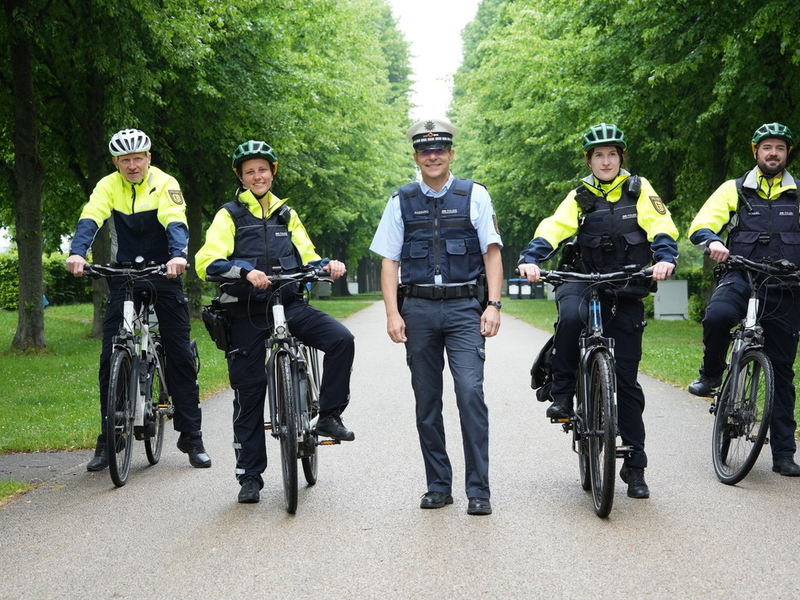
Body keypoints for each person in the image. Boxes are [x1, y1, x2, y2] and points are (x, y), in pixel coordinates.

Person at [518, 123, 679, 499]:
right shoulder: (579, 196)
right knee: (571, 318)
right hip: (583, 278)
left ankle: (635, 466)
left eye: (611, 154)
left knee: (626, 382)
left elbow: (661, 225)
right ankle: (561, 394)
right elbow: (554, 228)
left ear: (621, 157)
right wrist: (531, 258)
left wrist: (665, 257)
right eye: (598, 155)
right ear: (589, 160)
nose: (605, 161)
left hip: (626, 284)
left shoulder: (639, 189)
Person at [195, 140, 355, 504]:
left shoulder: (287, 214)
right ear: (241, 176)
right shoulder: (229, 215)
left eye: (263, 170)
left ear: (273, 172)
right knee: (249, 394)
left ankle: (329, 415)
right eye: (250, 171)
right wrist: (245, 271)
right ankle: (250, 476)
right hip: (246, 311)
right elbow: (207, 261)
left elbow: (308, 255)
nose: (257, 176)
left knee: (341, 339)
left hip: (290, 304)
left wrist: (327, 265)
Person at [370, 117, 503, 516]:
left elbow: (491, 254)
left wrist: (493, 305)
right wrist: (392, 314)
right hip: (419, 311)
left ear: (451, 154)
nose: (433, 156)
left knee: (469, 394)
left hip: (465, 309)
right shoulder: (401, 200)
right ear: (416, 156)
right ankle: (438, 485)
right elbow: (389, 261)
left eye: (440, 149)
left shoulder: (475, 195)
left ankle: (478, 490)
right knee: (427, 402)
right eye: (426, 151)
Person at [67, 128, 211, 471]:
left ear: (149, 158)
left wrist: (178, 256)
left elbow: (175, 220)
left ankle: (191, 436)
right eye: (124, 160)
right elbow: (91, 217)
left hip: (166, 271)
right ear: (116, 162)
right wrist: (77, 252)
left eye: (137, 158)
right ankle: (109, 438)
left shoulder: (165, 182)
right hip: (123, 273)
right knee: (109, 354)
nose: (132, 165)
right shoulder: (108, 185)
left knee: (178, 353)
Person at [687, 122, 800, 477]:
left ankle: (783, 454)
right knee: (718, 316)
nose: (773, 153)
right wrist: (713, 242)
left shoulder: (797, 193)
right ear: (755, 152)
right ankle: (711, 374)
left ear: (787, 154)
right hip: (741, 277)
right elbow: (702, 224)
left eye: (780, 148)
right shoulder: (733, 190)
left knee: (782, 371)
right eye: (767, 147)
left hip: (785, 289)